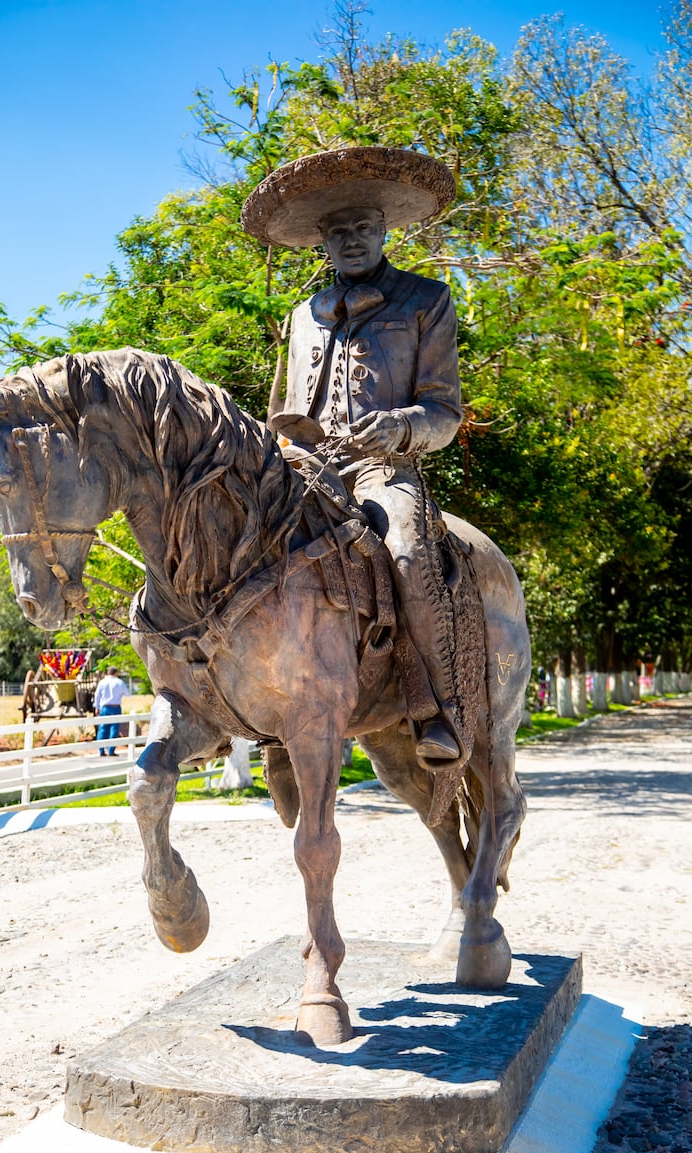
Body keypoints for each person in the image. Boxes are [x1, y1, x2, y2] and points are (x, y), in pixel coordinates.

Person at [241, 146, 466, 767]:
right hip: (306, 472)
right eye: (338, 232)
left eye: (363, 228)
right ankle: (263, 710)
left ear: (384, 231)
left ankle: (438, 707)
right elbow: (281, 409)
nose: (351, 241)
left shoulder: (425, 301)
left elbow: (445, 415)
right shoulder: (302, 315)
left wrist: (397, 428)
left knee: (407, 551)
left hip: (381, 470)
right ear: (322, 241)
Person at [93, 666, 130, 757]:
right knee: (114, 729)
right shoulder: (119, 682)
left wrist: (96, 707)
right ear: (116, 673)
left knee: (102, 728)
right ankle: (111, 750)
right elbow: (128, 694)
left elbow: (97, 695)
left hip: (104, 707)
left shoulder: (102, 682)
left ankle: (101, 750)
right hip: (115, 707)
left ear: (108, 673)